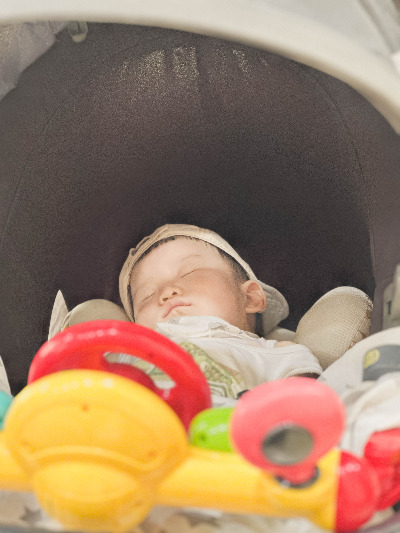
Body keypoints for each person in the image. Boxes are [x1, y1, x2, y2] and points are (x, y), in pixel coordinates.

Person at [118, 224, 322, 404]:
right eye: (147, 295)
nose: (166, 292)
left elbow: (303, 402)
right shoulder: (124, 355)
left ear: (249, 298)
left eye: (189, 273)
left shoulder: (273, 352)